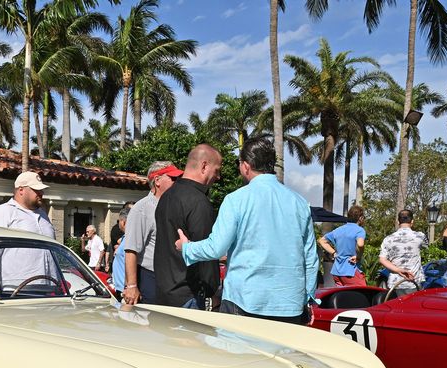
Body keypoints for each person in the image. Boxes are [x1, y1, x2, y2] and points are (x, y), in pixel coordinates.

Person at [176, 136, 317, 323]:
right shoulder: (299, 202)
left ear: (246, 165)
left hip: (244, 301)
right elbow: (310, 258)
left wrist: (187, 248)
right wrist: (307, 298)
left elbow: (216, 248)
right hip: (289, 306)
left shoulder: (236, 200)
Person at [154, 144, 222, 308]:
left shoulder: (166, 197)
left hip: (164, 293)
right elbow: (205, 254)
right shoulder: (198, 202)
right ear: (204, 166)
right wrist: (212, 293)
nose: (218, 177)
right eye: (217, 170)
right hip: (189, 296)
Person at [0, 171, 55, 289]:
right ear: (21, 190)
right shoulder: (3, 212)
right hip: (16, 288)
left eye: (41, 190)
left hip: (49, 286)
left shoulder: (44, 216)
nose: (41, 193)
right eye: (36, 190)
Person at [123, 161, 182, 305]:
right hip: (149, 278)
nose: (177, 182)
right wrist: (131, 286)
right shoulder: (142, 209)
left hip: (171, 280)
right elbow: (131, 250)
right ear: (157, 181)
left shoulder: (173, 206)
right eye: (173, 178)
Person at [379, 209, 428, 295]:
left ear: (398, 221)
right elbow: (426, 246)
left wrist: (398, 270)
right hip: (414, 283)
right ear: (412, 221)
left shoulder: (388, 239)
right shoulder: (420, 236)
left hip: (395, 284)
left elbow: (382, 259)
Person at [318, 204, 367, 286]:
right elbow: (360, 244)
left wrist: (334, 253)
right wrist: (358, 257)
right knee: (362, 296)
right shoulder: (359, 230)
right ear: (360, 218)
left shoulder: (338, 230)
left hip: (337, 272)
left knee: (343, 297)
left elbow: (322, 241)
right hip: (351, 271)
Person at [110, 207, 130, 297]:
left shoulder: (129, 239)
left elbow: (129, 262)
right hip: (120, 287)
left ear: (123, 222)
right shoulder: (125, 238)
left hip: (124, 289)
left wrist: (127, 287)